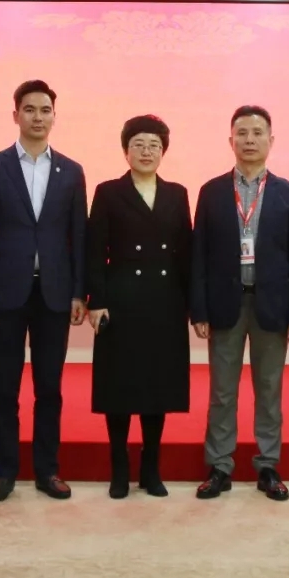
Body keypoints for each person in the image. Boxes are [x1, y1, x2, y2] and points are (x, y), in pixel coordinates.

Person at [0, 80, 88, 502]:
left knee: (49, 388)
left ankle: (47, 470)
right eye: (30, 109)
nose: (38, 117)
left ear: (54, 116)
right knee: (5, 388)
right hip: (5, 294)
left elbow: (78, 236)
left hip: (54, 294)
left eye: (45, 110)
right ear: (16, 114)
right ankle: (4, 472)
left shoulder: (71, 171)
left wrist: (79, 293)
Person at [190, 105, 289, 501]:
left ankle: (268, 466)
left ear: (271, 141)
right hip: (225, 304)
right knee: (222, 391)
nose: (250, 140)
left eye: (258, 133)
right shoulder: (211, 192)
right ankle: (219, 466)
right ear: (231, 141)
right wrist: (199, 309)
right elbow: (199, 255)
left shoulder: (288, 192)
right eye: (242, 133)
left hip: (271, 305)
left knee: (269, 389)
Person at [86, 115, 192, 499]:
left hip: (165, 302)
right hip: (120, 303)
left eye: (154, 146)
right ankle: (119, 467)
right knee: (120, 386)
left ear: (163, 152)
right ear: (125, 150)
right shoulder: (108, 192)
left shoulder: (177, 194)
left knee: (156, 386)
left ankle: (151, 468)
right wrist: (96, 300)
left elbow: (186, 253)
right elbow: (94, 251)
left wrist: (193, 306)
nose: (147, 152)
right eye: (139, 145)